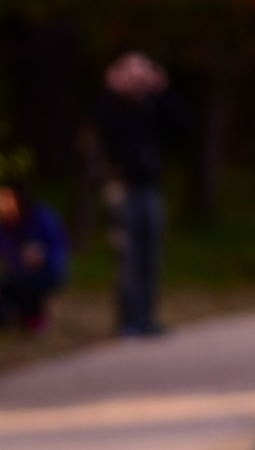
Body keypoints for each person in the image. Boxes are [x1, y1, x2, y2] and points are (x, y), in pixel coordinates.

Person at [94, 51, 187, 339]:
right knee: (128, 256)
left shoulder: (154, 105)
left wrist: (163, 90)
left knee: (151, 255)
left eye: (142, 73)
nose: (137, 80)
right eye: (131, 73)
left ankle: (147, 318)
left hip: (150, 188)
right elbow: (101, 126)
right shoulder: (112, 106)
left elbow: (184, 125)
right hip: (122, 188)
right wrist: (112, 91)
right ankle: (129, 320)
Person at [0, 179, 70, 332]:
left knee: (26, 285)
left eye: (7, 199)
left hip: (43, 275)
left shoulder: (40, 217)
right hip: (14, 277)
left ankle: (32, 315)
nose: (2, 204)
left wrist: (43, 255)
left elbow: (60, 246)